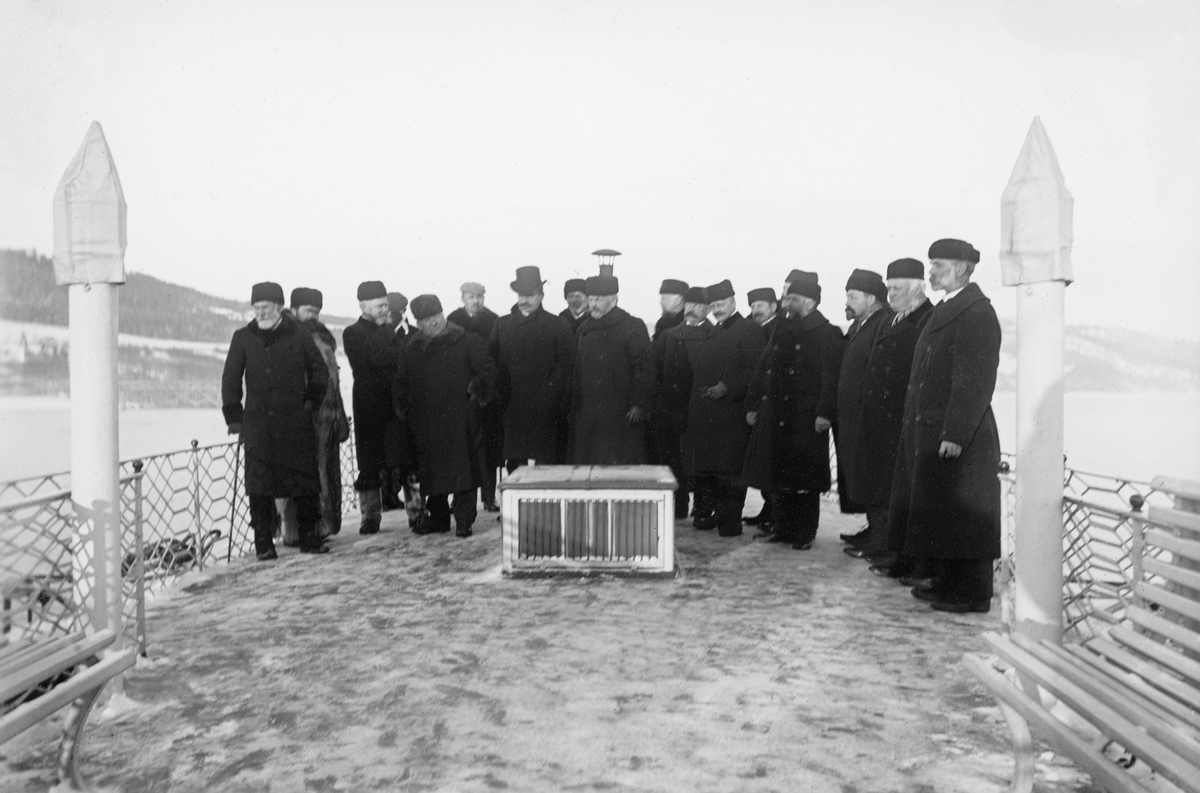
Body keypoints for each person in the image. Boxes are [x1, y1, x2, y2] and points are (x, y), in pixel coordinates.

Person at [887, 239, 1002, 613]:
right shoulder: (950, 309)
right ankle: (947, 582)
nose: (931, 272)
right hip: (933, 431)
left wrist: (955, 434)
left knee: (965, 517)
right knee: (943, 514)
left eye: (938, 265)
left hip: (959, 436)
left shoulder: (977, 313)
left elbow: (975, 381)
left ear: (962, 269)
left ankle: (971, 593)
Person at [222, 282, 330, 559]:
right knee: (259, 486)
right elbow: (230, 378)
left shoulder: (299, 334)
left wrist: (311, 402)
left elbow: (319, 370)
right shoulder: (243, 337)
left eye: (265, 307)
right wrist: (234, 416)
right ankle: (264, 546)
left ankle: (309, 539)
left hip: (295, 420)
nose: (260, 313)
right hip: (258, 425)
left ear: (279, 307)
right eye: (256, 308)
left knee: (305, 482)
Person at [743, 272, 844, 550]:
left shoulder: (827, 333)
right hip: (776, 414)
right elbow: (763, 368)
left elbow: (830, 378)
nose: (787, 303)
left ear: (810, 301)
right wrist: (753, 405)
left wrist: (825, 413)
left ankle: (804, 532)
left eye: (793, 298)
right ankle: (781, 526)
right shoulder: (781, 329)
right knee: (779, 475)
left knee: (804, 480)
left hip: (805, 418)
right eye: (787, 297)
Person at [851, 259, 935, 579]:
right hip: (879, 419)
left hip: (901, 418)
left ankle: (896, 552)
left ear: (917, 287)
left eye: (898, 288)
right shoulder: (893, 319)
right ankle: (886, 546)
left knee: (897, 491)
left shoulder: (927, 318)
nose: (891, 293)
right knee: (882, 486)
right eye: (889, 288)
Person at [395, 294, 496, 538]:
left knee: (464, 471)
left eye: (436, 317)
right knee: (432, 473)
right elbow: (401, 385)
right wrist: (406, 410)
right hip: (427, 421)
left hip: (462, 419)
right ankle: (439, 519)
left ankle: (464, 521)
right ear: (418, 323)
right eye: (426, 320)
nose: (433, 323)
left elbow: (487, 369)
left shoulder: (468, 340)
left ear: (443, 314)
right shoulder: (411, 351)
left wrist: (476, 394)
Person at [680, 280, 764, 536]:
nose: (717, 309)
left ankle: (731, 524)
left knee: (731, 474)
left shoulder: (748, 329)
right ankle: (715, 517)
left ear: (733, 303)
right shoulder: (716, 331)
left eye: (722, 304)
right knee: (714, 472)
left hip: (733, 415)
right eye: (714, 305)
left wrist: (728, 387)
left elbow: (756, 370)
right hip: (710, 418)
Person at [489, 266, 575, 471]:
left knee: (546, 460)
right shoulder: (502, 325)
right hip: (512, 405)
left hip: (546, 406)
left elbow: (566, 365)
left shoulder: (558, 325)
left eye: (530, 295)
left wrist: (551, 394)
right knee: (514, 460)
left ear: (541, 296)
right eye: (521, 295)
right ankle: (512, 502)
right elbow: (492, 362)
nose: (525, 300)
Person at [833, 269, 891, 559]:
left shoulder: (882, 324)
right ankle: (873, 528)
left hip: (870, 418)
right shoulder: (859, 325)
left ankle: (881, 538)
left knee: (873, 478)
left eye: (852, 297)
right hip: (853, 418)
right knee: (862, 476)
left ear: (871, 299)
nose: (847, 302)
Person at [570, 274, 654, 465]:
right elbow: (577, 372)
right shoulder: (583, 329)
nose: (593, 305)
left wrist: (638, 404)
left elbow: (645, 368)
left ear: (613, 300)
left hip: (621, 413)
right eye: (590, 299)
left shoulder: (632, 326)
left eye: (598, 300)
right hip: (589, 414)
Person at [290, 287, 350, 540]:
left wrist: (339, 415)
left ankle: (324, 524)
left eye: (316, 310)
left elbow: (333, 381)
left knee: (325, 471)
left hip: (327, 417)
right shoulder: (290, 336)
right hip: (305, 415)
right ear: (294, 310)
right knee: (306, 474)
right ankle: (303, 530)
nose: (313, 315)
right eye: (308, 310)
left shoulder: (323, 339)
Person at [342, 280, 398, 535]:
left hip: (393, 401)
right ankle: (370, 516)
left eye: (386, 304)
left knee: (403, 457)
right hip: (368, 403)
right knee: (369, 461)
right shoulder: (352, 333)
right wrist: (391, 345)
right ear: (363, 305)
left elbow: (394, 359)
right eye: (380, 306)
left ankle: (416, 512)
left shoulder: (389, 330)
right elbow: (370, 361)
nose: (385, 309)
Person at [652, 285, 712, 520]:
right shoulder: (669, 335)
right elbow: (655, 369)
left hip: (696, 409)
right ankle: (677, 507)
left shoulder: (713, 335)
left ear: (708, 309)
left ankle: (702, 508)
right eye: (690, 304)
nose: (693, 310)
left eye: (699, 306)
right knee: (671, 460)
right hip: (669, 409)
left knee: (697, 461)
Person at [448, 282, 502, 511]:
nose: (476, 301)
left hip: (486, 392)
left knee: (488, 446)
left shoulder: (493, 320)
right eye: (472, 296)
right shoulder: (453, 320)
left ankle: (489, 497)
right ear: (462, 298)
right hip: (458, 392)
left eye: (480, 296)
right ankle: (460, 498)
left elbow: (497, 355)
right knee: (461, 446)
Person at [742, 286, 779, 528]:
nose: (755, 311)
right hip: (757, 405)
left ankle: (775, 512)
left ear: (773, 307)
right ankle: (769, 509)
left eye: (760, 306)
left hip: (772, 407)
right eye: (753, 307)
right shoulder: (755, 329)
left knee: (771, 463)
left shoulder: (777, 330)